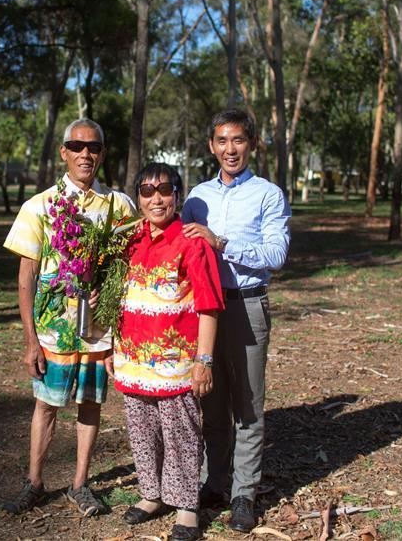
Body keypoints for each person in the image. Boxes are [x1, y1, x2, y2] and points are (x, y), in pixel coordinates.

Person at [2, 118, 136, 516]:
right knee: (45, 405)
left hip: (97, 331)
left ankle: (80, 485)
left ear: (102, 153)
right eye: (76, 146)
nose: (85, 154)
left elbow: (128, 266)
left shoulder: (118, 205)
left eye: (93, 147)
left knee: (91, 405)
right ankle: (35, 483)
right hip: (53, 330)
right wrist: (30, 340)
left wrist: (109, 290)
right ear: (64, 152)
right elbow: (26, 275)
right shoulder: (39, 205)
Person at [181, 109, 291, 532]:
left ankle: (244, 493)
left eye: (239, 140)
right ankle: (216, 481)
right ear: (211, 146)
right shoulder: (196, 197)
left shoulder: (267, 194)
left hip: (246, 305)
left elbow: (276, 256)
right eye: (222, 141)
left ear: (252, 144)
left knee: (247, 404)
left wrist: (221, 242)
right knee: (210, 399)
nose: (231, 149)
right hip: (203, 309)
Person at [114, 162, 224, 541]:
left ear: (178, 195)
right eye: (147, 191)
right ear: (138, 198)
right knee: (143, 432)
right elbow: (118, 296)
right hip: (133, 359)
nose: (156, 198)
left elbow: (208, 305)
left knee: (181, 434)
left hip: (175, 363)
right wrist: (112, 347)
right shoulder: (129, 239)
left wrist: (204, 361)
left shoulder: (191, 241)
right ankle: (151, 495)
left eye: (164, 190)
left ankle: (187, 508)